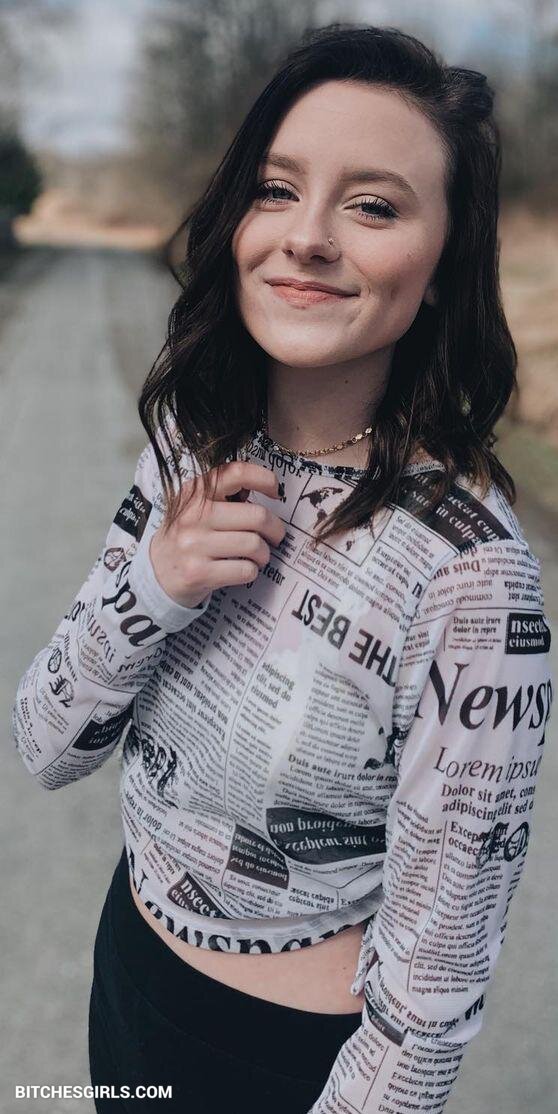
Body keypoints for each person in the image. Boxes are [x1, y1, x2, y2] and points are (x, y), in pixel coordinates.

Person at [11, 21, 554, 1114]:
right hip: (129, 973)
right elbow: (43, 744)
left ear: (442, 266)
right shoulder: (189, 445)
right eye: (276, 189)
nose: (306, 237)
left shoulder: (472, 573)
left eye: (373, 206)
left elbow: (431, 990)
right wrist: (155, 584)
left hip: (281, 1062)